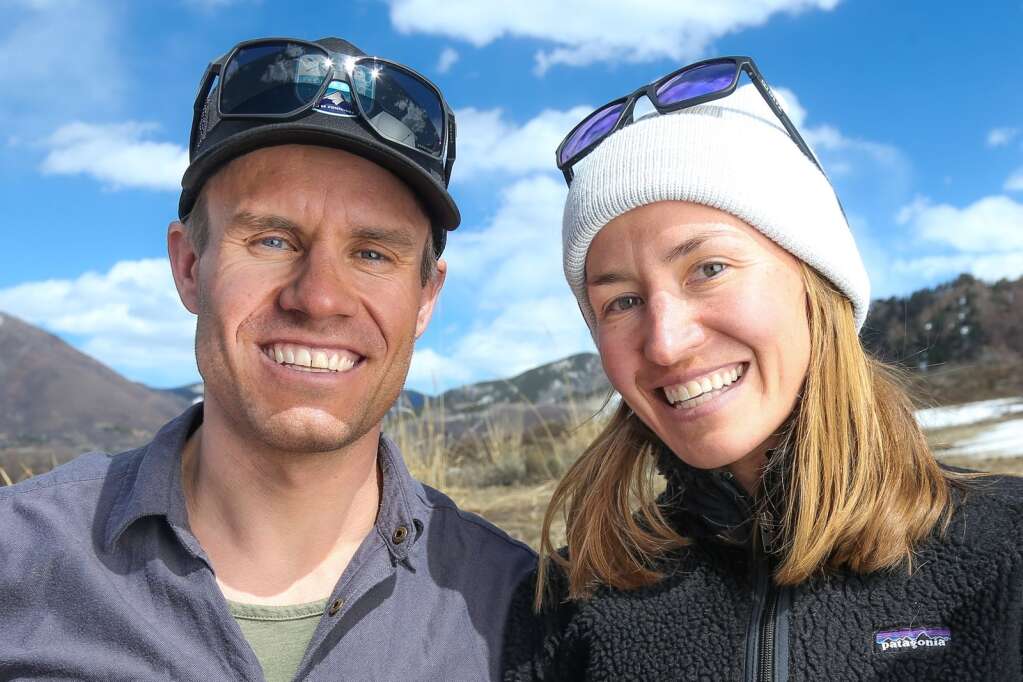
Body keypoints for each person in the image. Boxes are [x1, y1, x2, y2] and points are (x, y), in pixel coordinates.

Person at [0, 36, 534, 681]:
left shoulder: (517, 609)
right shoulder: (17, 557)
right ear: (190, 267)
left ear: (425, 298)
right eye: (273, 240)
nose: (319, 298)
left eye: (372, 254)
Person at [502, 57, 1023, 680]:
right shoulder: (568, 602)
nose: (665, 343)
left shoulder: (1005, 549)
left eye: (709, 269)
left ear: (816, 284)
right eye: (621, 302)